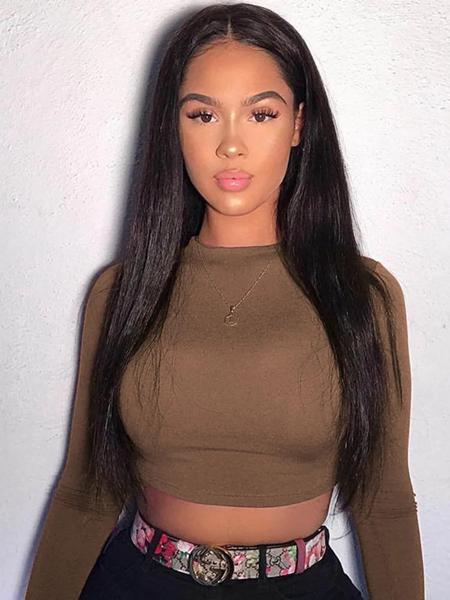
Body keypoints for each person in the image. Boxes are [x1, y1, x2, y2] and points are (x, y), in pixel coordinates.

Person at [24, 3, 425, 599]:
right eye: (203, 114)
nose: (231, 144)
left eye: (261, 113)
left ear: (298, 125)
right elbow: (86, 492)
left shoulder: (362, 297)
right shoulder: (122, 294)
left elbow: (384, 503)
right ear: (174, 127)